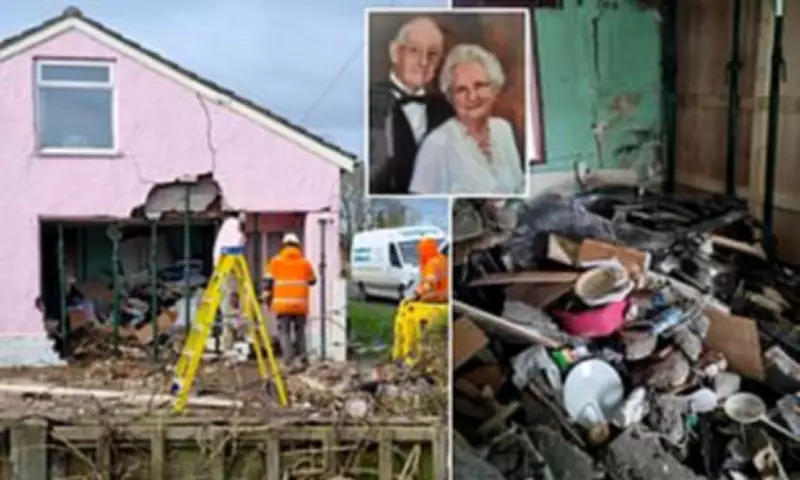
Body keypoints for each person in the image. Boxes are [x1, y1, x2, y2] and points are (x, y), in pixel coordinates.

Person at [409, 44, 525, 195]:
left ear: (494, 88)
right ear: (450, 98)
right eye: (461, 90)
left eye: (479, 85)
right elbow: (421, 203)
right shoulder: (436, 144)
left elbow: (519, 188)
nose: (472, 97)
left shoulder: (503, 129)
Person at [368, 16, 455, 194]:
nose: (424, 62)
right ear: (394, 52)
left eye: (433, 54)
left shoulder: (447, 111)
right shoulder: (368, 102)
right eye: (414, 50)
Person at [263, 233, 317, 367]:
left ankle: (288, 361)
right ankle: (303, 359)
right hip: (300, 306)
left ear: (284, 245)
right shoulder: (305, 263)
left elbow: (267, 282)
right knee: (300, 332)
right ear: (298, 246)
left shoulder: (275, 261)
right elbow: (313, 281)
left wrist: (267, 296)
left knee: (284, 332)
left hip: (282, 305)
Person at [211, 212, 246, 356]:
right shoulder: (233, 227)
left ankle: (229, 344)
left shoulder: (225, 229)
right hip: (228, 266)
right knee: (232, 305)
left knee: (228, 305)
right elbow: (238, 244)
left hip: (221, 266)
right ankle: (235, 341)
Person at [415, 237, 448, 303]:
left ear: (424, 253)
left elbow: (429, 285)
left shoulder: (431, 264)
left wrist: (418, 292)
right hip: (445, 297)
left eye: (420, 252)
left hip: (435, 299)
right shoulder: (442, 259)